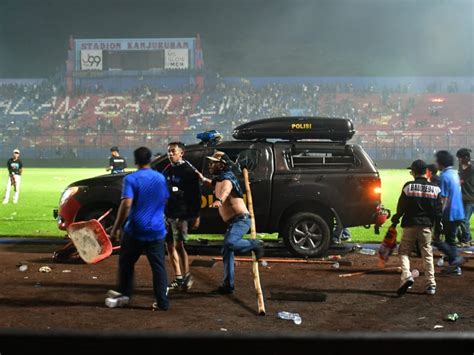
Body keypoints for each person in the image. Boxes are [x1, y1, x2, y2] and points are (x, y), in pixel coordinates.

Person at [105, 147, 170, 311]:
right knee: (158, 267)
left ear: (135, 160)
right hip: (156, 229)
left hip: (136, 229)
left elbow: (126, 204)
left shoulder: (131, 178)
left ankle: (125, 294)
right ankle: (163, 302)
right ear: (149, 159)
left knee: (126, 262)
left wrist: (116, 227)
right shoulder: (160, 178)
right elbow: (164, 199)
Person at [197, 151, 263, 294]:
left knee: (230, 244)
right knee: (227, 251)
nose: (210, 165)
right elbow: (212, 183)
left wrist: (219, 200)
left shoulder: (227, 179)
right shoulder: (219, 179)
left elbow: (226, 190)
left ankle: (255, 244)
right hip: (233, 222)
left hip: (242, 220)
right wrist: (202, 178)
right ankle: (228, 286)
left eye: (213, 162)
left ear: (221, 165)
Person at [391, 160, 442, 296]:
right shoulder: (435, 188)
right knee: (427, 254)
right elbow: (438, 212)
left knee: (404, 252)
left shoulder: (408, 186)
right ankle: (431, 285)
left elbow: (401, 208)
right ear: (426, 172)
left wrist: (395, 220)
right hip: (426, 227)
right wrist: (439, 228)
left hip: (409, 225)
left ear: (414, 172)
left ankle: (407, 275)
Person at [162, 142, 201, 291]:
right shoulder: (167, 169)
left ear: (181, 153)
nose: (170, 154)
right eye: (168, 152)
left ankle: (186, 276)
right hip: (168, 213)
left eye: (173, 151)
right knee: (170, 245)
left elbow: (196, 195)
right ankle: (179, 278)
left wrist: (196, 215)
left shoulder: (188, 171)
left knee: (179, 245)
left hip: (181, 214)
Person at [432, 150, 466, 275]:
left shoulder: (444, 176)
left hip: (449, 213)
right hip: (459, 212)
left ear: (441, 163)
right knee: (451, 240)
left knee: (436, 239)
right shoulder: (454, 174)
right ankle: (455, 267)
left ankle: (456, 259)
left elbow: (444, 198)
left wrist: (439, 216)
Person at [456, 148, 473, 246]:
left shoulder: (472, 168)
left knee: (464, 220)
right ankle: (466, 239)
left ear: (466, 158)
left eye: (460, 158)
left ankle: (466, 240)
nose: (459, 160)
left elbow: (461, 180)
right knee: (459, 219)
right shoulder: (461, 166)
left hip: (471, 198)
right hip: (463, 197)